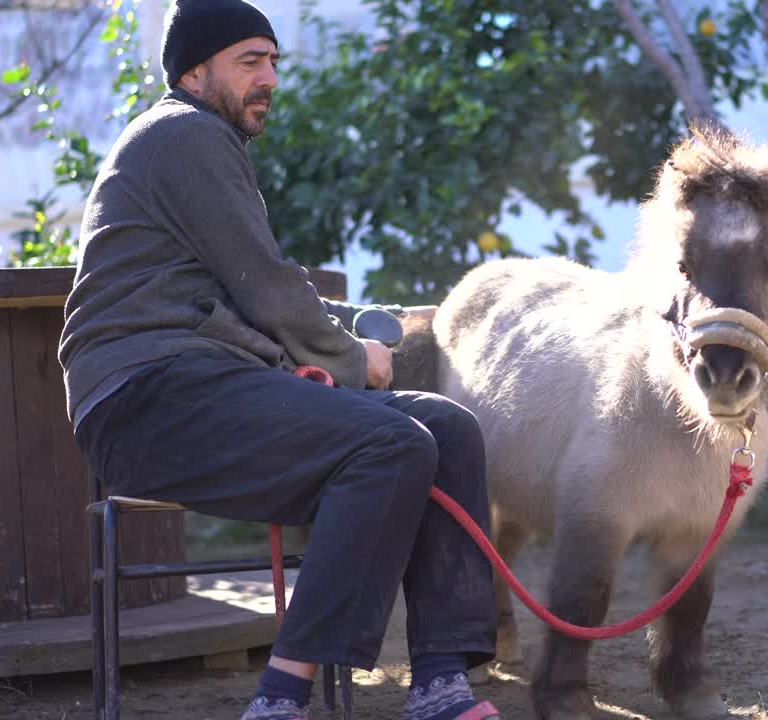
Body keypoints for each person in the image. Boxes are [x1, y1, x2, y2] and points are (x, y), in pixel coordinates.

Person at [60, 2, 500, 718]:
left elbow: (247, 295)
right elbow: (265, 283)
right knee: (393, 441)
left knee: (447, 428)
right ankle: (280, 697)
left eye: (272, 61)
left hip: (202, 386)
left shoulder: (199, 141)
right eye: (248, 62)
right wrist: (354, 360)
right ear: (193, 72)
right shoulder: (183, 136)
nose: (268, 78)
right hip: (147, 399)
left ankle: (441, 682)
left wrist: (325, 352)